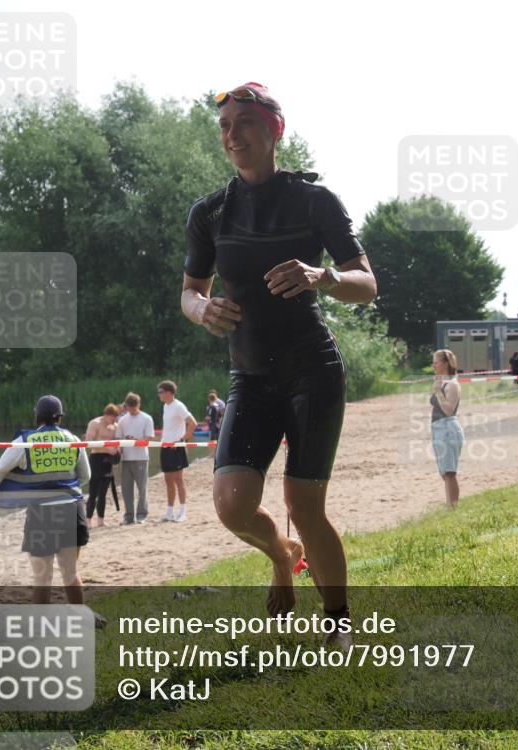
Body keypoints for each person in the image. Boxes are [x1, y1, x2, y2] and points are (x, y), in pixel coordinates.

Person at [180, 82, 377, 634]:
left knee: (304, 502)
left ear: (274, 130)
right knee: (232, 504)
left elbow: (366, 283)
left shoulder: (315, 202)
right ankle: (281, 555)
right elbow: (190, 289)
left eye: (243, 122)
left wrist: (323, 276)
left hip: (312, 369)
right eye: (223, 127)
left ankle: (337, 620)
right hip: (250, 376)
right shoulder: (211, 213)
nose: (231, 134)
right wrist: (201, 311)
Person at [0, 396, 101, 622]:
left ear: (37, 416)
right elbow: (86, 476)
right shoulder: (71, 438)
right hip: (72, 510)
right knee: (70, 572)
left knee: (42, 576)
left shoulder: (25, 441)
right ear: (60, 417)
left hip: (42, 514)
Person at [156, 380, 197, 522]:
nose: (159, 395)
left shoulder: (178, 406)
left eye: (160, 392)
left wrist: (181, 441)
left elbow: (193, 423)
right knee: (168, 480)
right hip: (165, 447)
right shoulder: (166, 406)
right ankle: (169, 512)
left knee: (178, 479)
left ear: (169, 392)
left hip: (176, 448)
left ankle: (183, 512)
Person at [431, 349, 465, 509]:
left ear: (445, 364)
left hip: (448, 428)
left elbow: (449, 409)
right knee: (445, 473)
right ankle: (451, 506)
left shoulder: (452, 384)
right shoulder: (443, 382)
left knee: (450, 473)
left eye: (436, 362)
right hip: (439, 428)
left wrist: (438, 391)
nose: (433, 365)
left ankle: (453, 508)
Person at [116, 392, 154, 524]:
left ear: (139, 405)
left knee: (142, 487)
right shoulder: (122, 420)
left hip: (141, 457)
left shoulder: (146, 418)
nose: (131, 409)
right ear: (126, 406)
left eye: (134, 407)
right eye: (129, 407)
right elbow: (118, 437)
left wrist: (137, 441)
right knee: (126, 489)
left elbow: (149, 437)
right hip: (126, 458)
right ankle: (128, 516)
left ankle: (142, 515)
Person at [84, 404, 121, 527]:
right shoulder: (95, 423)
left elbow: (117, 441)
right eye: (113, 418)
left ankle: (101, 520)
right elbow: (88, 442)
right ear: (107, 415)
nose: (115, 421)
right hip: (96, 458)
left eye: (116, 418)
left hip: (108, 460)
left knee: (103, 493)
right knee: (93, 492)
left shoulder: (115, 426)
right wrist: (106, 447)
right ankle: (88, 519)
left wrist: (116, 449)